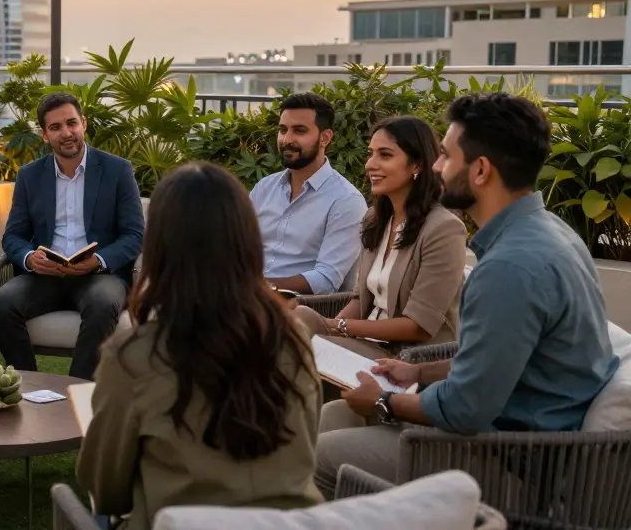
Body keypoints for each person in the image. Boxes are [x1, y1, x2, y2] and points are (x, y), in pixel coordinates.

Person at [315, 93, 620, 497]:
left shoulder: (510, 267)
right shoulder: (551, 233)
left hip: (514, 460)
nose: (437, 167)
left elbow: (464, 409)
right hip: (514, 434)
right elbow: (496, 361)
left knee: (322, 455)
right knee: (338, 414)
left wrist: (386, 402)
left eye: (444, 156)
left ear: (479, 170)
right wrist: (418, 373)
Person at [77, 163, 321, 529]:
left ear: (160, 249)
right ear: (248, 242)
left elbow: (107, 487)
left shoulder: (133, 356)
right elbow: (306, 448)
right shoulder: (292, 338)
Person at [0, 92, 145, 380]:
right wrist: (29, 258)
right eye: (56, 127)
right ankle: (29, 387)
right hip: (45, 276)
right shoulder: (29, 175)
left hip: (99, 275)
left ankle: (74, 392)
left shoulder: (117, 170)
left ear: (84, 124)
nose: (67, 133)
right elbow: (13, 236)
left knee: (102, 303)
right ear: (44, 135)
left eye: (71, 123)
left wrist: (98, 260)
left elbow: (135, 234)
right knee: (2, 303)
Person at [293, 116, 466, 357]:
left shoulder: (444, 229)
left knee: (295, 337)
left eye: (385, 155)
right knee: (288, 327)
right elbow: (359, 299)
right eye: (371, 153)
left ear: (417, 164)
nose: (370, 164)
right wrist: (329, 330)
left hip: (407, 358)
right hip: (365, 344)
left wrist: (338, 326)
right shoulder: (375, 220)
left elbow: (419, 326)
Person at [250, 93, 367, 295]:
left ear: (325, 138)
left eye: (299, 131)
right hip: (242, 302)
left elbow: (325, 280)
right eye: (283, 130)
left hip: (298, 310)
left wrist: (259, 285)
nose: (287, 140)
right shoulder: (264, 188)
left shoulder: (346, 201)